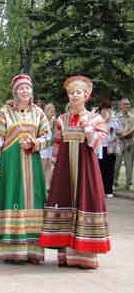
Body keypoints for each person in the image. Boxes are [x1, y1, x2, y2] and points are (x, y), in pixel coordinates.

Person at [39, 75, 111, 269]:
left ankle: (85, 255)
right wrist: (54, 166)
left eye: (78, 92)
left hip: (86, 169)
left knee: (86, 201)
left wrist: (87, 126)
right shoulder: (62, 119)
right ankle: (65, 255)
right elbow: (57, 144)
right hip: (64, 169)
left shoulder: (95, 118)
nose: (74, 96)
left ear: (86, 95)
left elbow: (96, 144)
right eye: (71, 93)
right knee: (64, 202)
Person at [0, 74, 51, 265]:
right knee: (12, 199)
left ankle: (33, 251)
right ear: (15, 92)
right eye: (21, 88)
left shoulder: (38, 112)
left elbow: (48, 137)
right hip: (11, 165)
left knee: (34, 200)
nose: (25, 91)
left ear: (31, 91)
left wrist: (35, 142)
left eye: (28, 88)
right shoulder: (5, 112)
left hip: (32, 164)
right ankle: (10, 250)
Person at [98, 102, 121, 198]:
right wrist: (105, 120)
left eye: (108, 109)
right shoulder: (97, 119)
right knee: (100, 169)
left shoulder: (114, 119)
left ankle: (109, 190)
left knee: (110, 169)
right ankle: (100, 190)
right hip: (100, 147)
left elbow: (119, 130)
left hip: (110, 147)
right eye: (104, 109)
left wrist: (110, 120)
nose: (106, 111)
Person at [114, 98, 134, 190]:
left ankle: (129, 184)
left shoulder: (132, 117)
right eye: (124, 104)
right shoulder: (116, 117)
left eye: (128, 104)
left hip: (129, 143)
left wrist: (127, 135)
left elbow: (132, 131)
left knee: (129, 164)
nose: (127, 105)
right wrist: (125, 134)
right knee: (116, 164)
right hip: (119, 143)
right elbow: (116, 131)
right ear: (120, 105)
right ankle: (114, 182)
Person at [40, 103, 56, 190]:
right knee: (43, 165)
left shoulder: (54, 121)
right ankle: (41, 185)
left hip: (50, 147)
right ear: (46, 111)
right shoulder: (43, 120)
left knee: (49, 166)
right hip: (43, 147)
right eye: (51, 111)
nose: (53, 113)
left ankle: (47, 185)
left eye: (53, 111)